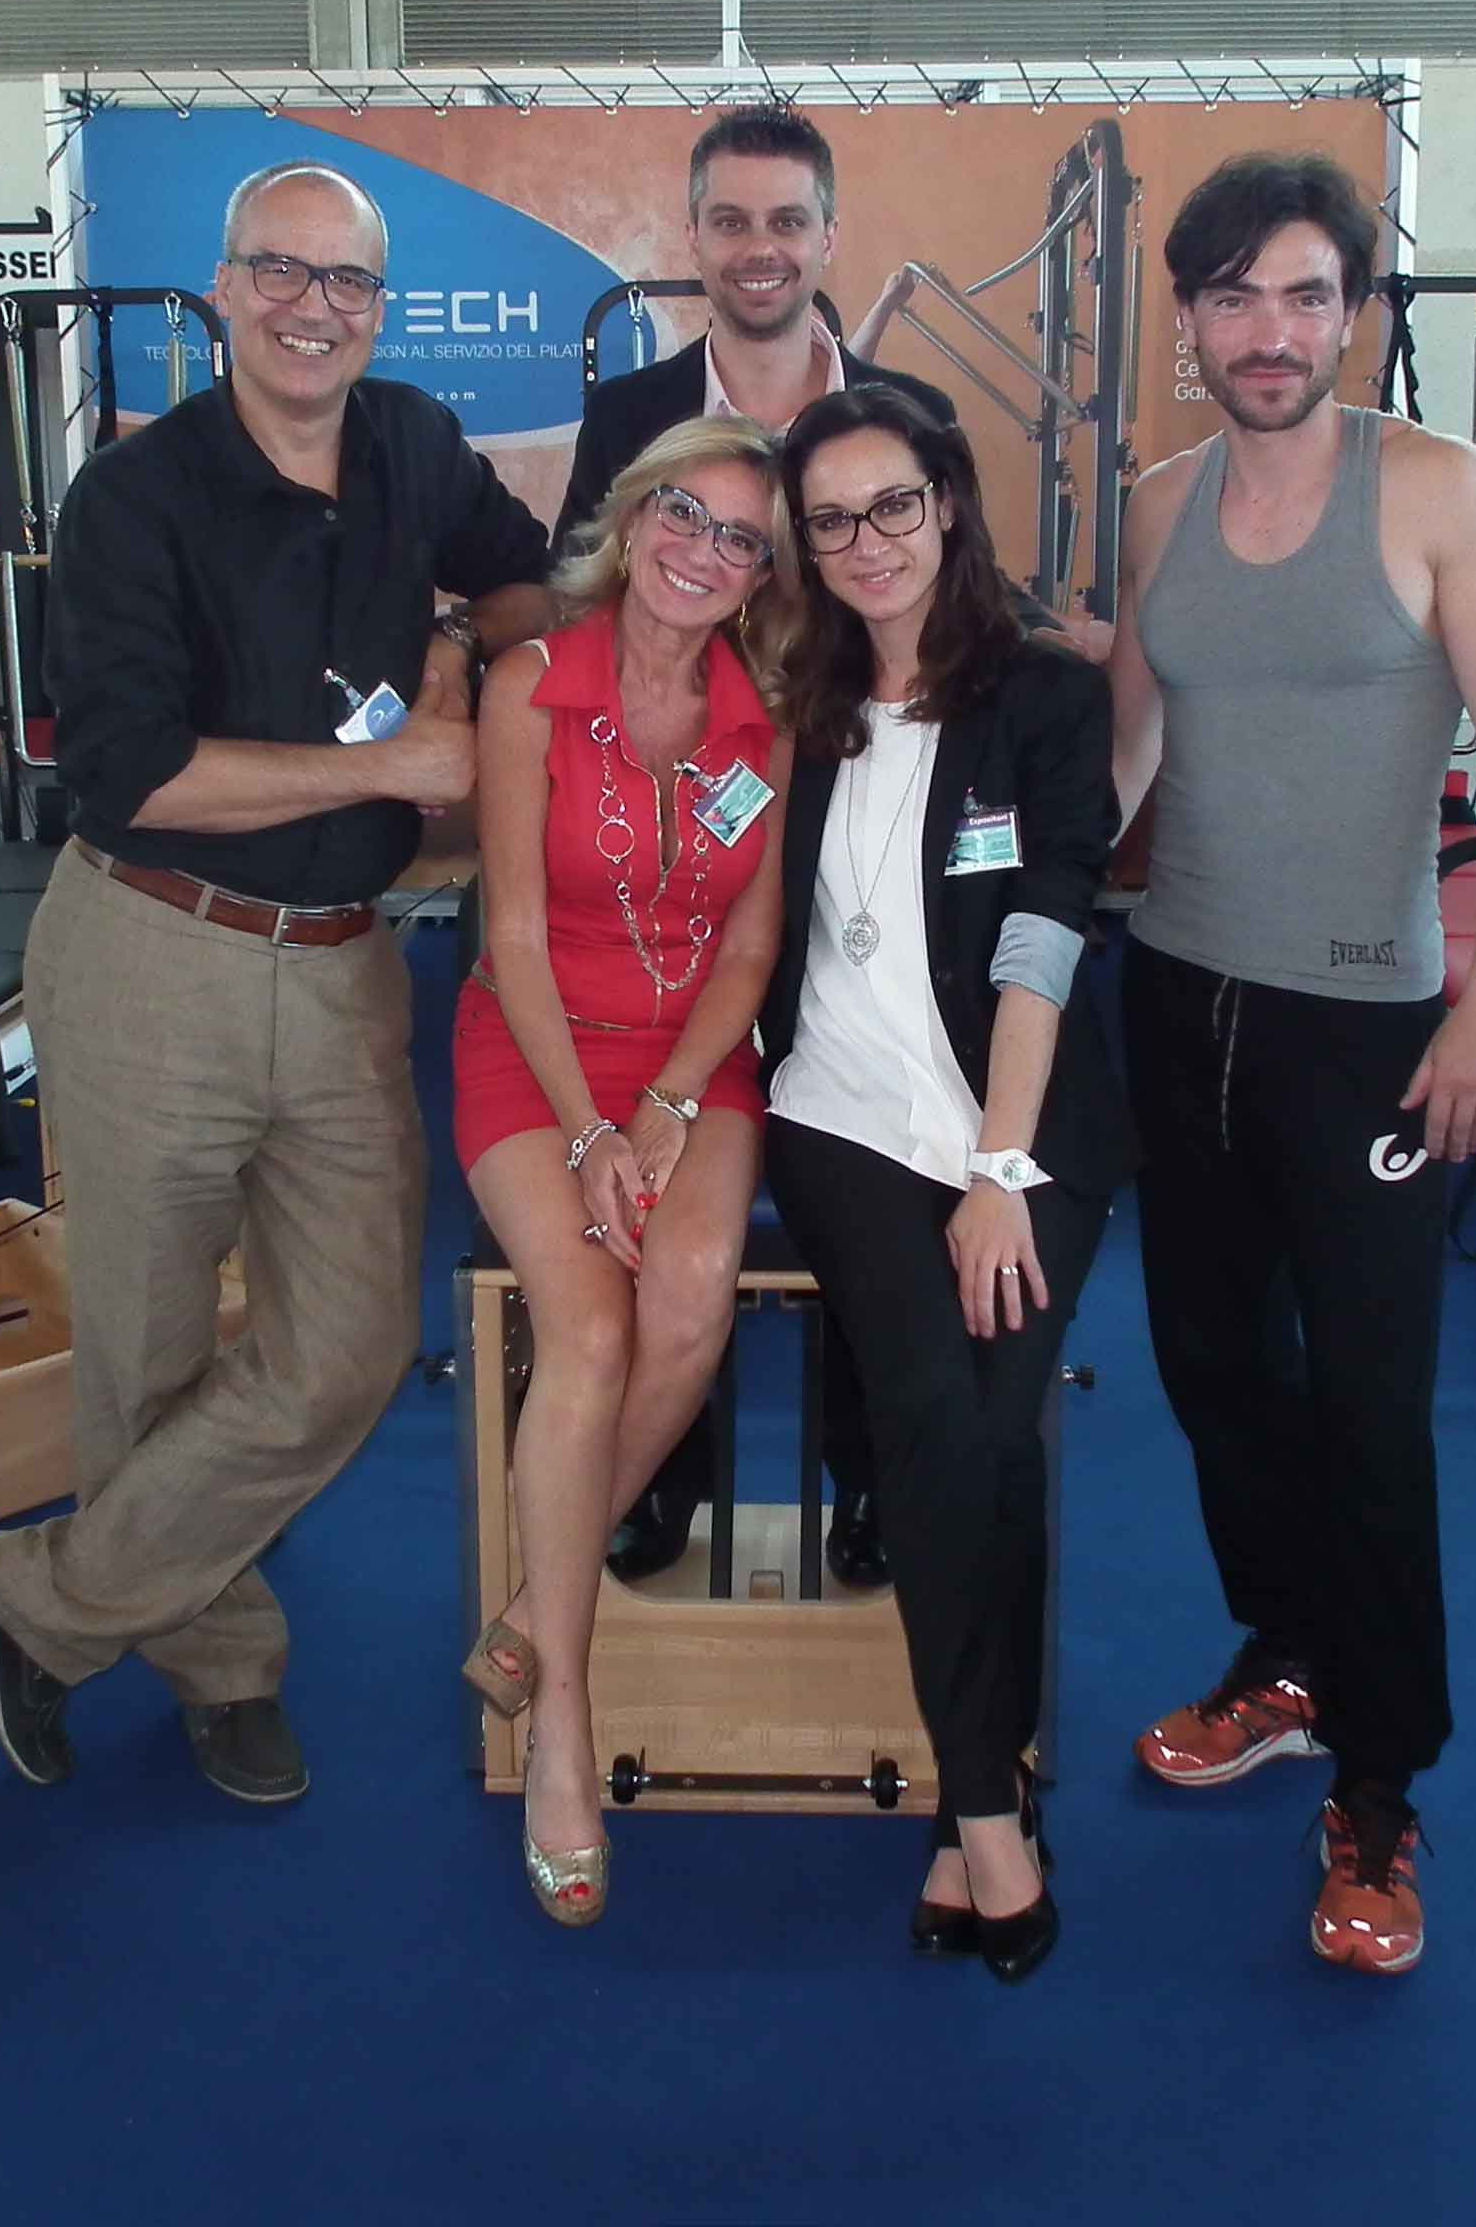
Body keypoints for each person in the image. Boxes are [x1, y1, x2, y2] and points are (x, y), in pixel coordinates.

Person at [0, 162, 556, 1809]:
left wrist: (462, 654)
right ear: (223, 290)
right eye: (280, 272)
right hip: (155, 949)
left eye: (346, 282)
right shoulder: (134, 501)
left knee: (348, 1349)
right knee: (145, 1355)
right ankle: (218, 1661)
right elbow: (132, 774)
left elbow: (531, 579)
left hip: (347, 970)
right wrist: (395, 767)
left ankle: (45, 1601)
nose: (312, 308)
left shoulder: (415, 444)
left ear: (381, 307)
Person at [1107, 150, 1476, 1976]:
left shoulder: (1437, 488)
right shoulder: (1157, 506)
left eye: (1307, 295)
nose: (1271, 331)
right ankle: (1285, 1657)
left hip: (1368, 1022)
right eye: (1234, 296)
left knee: (1370, 1408)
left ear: (1356, 314)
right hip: (1180, 997)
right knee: (1215, 1371)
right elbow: (1130, 755)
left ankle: (1380, 1781)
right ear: (1191, 320)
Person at [757, 382, 1132, 1986]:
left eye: (894, 505)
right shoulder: (797, 697)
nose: (869, 544)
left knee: (995, 1436)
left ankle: (979, 1788)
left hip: (1019, 1125)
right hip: (837, 1115)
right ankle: (987, 1809)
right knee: (937, 1422)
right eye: (833, 520)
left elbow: (1047, 932)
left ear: (951, 502)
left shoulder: (1042, 695)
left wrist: (998, 1170)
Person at [556, 102, 946, 1592]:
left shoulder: (907, 413)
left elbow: (961, 597)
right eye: (731, 221)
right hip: (686, 841)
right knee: (674, 1157)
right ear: (694, 237)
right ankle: (665, 1475)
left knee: (866, 1151)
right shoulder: (629, 416)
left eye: (788, 220)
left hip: (857, 820)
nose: (760, 247)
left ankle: (873, 1475)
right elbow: (582, 599)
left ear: (830, 235)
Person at [455, 418, 791, 1924]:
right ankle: (563, 1729)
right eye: (683, 515)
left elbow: (753, 949)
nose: (702, 552)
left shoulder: (764, 720)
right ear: (633, 517)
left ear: (763, 576)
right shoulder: (528, 682)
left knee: (694, 1290)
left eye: (740, 539)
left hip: (693, 1056)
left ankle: (538, 1600)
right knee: (587, 1329)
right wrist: (591, 1128)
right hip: (532, 1047)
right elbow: (512, 935)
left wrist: (664, 1102)